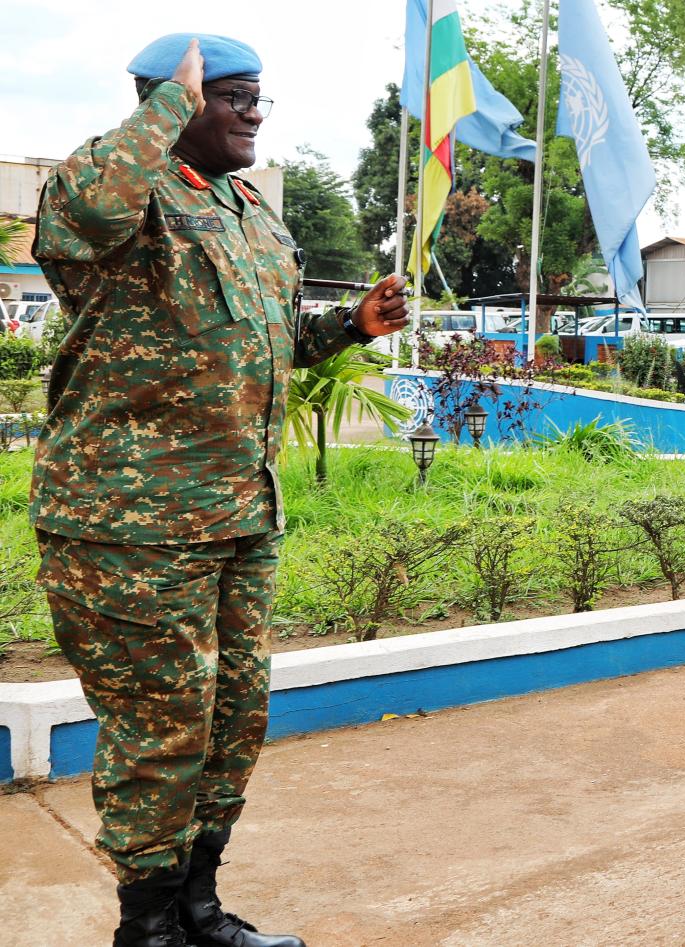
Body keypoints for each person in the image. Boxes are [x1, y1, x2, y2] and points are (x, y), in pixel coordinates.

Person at [30, 35, 408, 947]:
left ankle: (197, 910)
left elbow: (263, 344)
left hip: (238, 514)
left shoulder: (250, 211)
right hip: (132, 524)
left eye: (258, 98)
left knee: (232, 724)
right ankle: (148, 929)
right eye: (231, 96)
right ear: (172, 98)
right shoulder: (118, 193)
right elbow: (79, 216)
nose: (252, 113)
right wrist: (164, 105)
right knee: (159, 732)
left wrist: (348, 328)